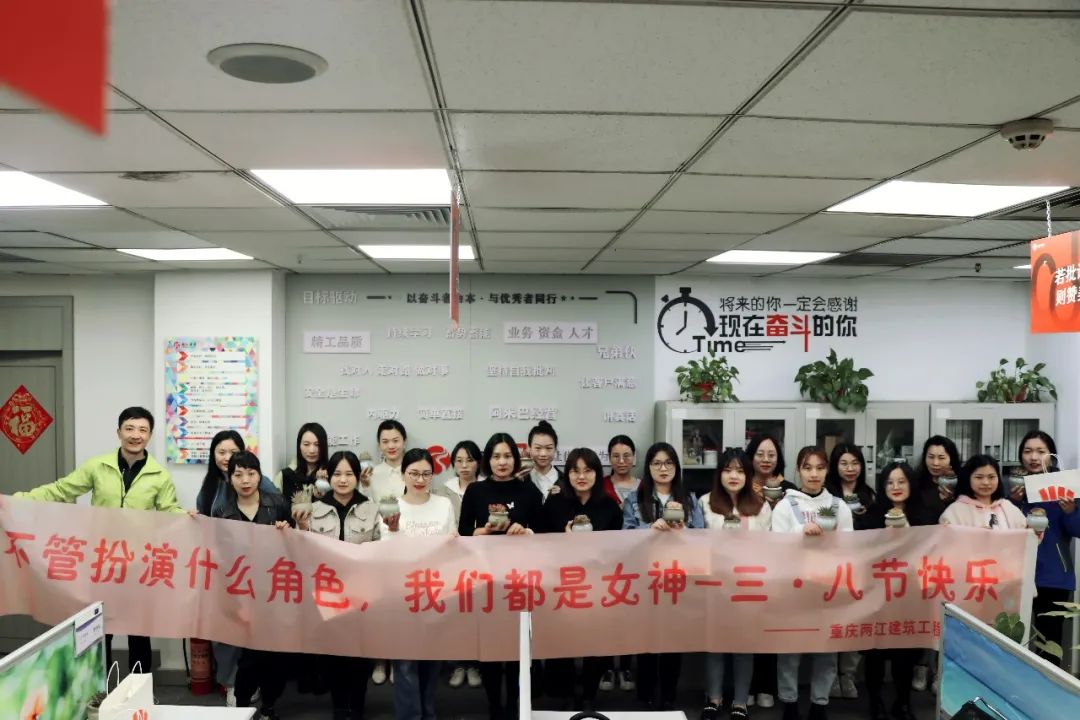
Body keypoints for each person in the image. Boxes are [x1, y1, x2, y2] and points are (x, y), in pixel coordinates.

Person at [15, 406, 186, 675]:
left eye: (142, 430)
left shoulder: (159, 475)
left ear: (150, 435)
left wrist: (189, 518)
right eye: (129, 428)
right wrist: (21, 500)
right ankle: (99, 688)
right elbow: (62, 490)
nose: (136, 435)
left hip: (138, 564)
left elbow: (168, 510)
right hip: (101, 561)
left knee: (139, 630)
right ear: (118, 432)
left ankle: (139, 688)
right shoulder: (98, 466)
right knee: (99, 627)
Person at [459, 433, 544, 720]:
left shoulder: (529, 492)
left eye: (507, 456)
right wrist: (480, 532)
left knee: (519, 649)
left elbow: (545, 532)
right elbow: (462, 531)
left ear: (516, 459)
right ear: (488, 461)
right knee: (492, 649)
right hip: (486, 578)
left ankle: (516, 707)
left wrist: (526, 531)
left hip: (521, 579)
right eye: (496, 456)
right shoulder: (475, 491)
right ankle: (494, 706)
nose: (502, 462)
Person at [195, 429, 279, 705]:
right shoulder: (210, 488)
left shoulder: (264, 485)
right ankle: (231, 683)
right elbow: (205, 525)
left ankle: (255, 684)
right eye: (221, 452)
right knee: (227, 629)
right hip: (226, 571)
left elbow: (279, 513)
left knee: (258, 631)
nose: (226, 457)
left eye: (233, 451)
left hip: (261, 573)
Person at [771, 446, 854, 720]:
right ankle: (789, 703)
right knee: (789, 650)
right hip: (792, 590)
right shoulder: (785, 506)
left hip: (828, 589)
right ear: (798, 471)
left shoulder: (839, 507)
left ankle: (820, 704)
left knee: (826, 651)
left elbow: (851, 548)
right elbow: (775, 547)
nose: (814, 474)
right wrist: (800, 530)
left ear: (827, 470)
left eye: (819, 467)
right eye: (807, 468)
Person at [297, 450, 382, 720]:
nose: (343, 480)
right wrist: (301, 527)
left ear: (357, 476)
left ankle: (357, 705)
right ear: (328, 477)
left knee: (360, 654)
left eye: (349, 474)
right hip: (328, 592)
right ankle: (339, 705)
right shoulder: (314, 509)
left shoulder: (371, 509)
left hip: (361, 592)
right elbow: (302, 550)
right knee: (332, 654)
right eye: (337, 474)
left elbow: (381, 549)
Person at [540, 447, 623, 710]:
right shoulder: (554, 503)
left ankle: (589, 692)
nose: (581, 476)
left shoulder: (609, 506)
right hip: (561, 583)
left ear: (598, 474)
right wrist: (564, 541)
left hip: (597, 584)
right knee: (561, 639)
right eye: (575, 471)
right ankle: (562, 692)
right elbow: (540, 544)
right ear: (567, 474)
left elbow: (620, 548)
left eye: (588, 470)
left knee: (594, 640)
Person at [623, 441, 703, 710]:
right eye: (656, 463)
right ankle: (644, 696)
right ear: (648, 468)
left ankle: (669, 696)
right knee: (646, 640)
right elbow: (624, 538)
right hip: (646, 579)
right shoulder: (635, 499)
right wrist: (649, 529)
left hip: (677, 579)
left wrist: (683, 532)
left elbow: (702, 537)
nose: (663, 468)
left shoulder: (689, 499)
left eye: (668, 463)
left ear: (676, 467)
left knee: (672, 641)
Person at [214, 451, 291, 720]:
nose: (245, 480)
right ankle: (244, 706)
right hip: (241, 595)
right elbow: (218, 553)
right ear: (230, 478)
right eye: (238, 474)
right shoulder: (222, 512)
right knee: (248, 659)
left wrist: (287, 529)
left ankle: (269, 706)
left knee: (275, 657)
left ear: (260, 476)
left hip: (274, 593)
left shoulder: (277, 504)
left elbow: (295, 544)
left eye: (251, 473)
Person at [380, 448, 456, 720]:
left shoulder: (444, 505)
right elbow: (386, 553)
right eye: (413, 473)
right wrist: (392, 530)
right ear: (403, 475)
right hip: (403, 594)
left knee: (432, 662)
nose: (420, 479)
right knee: (405, 664)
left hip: (436, 592)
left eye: (426, 474)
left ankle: (428, 712)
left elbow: (452, 548)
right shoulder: (390, 506)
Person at [699, 448, 771, 720]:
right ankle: (714, 699)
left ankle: (740, 702)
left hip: (748, 585)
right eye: (728, 470)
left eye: (740, 471)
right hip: (714, 585)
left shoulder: (761, 506)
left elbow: (770, 546)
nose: (734, 476)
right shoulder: (705, 503)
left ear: (748, 475)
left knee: (744, 646)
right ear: (719, 473)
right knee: (714, 644)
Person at [863, 462, 931, 720]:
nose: (896, 487)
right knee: (875, 654)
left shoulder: (924, 517)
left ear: (911, 484)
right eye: (890, 482)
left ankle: (903, 702)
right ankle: (875, 703)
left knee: (906, 655)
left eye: (901, 481)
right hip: (877, 595)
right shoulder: (871, 516)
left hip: (910, 595)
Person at [1010, 431, 1080, 667]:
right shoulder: (1015, 486)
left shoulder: (1065, 486)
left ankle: (1046, 685)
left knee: (1049, 642)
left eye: (1041, 451)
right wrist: (1014, 501)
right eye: (1028, 451)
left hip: (1054, 576)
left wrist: (1070, 511)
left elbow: (1077, 530)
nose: (1034, 457)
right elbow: (1004, 527)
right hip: (1017, 574)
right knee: (1012, 635)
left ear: (1051, 455)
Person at [910, 435, 962, 692]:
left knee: (947, 618)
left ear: (952, 459)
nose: (936, 462)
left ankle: (940, 671)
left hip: (954, 564)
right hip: (923, 561)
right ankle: (921, 665)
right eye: (931, 457)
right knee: (924, 616)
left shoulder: (962, 487)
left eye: (942, 457)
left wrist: (950, 501)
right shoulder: (916, 485)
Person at [745, 433, 792, 709]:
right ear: (751, 456)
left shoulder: (789, 489)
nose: (766, 459)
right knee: (748, 630)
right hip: (747, 569)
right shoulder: (742, 486)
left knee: (772, 630)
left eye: (771, 454)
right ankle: (747, 686)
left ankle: (767, 686)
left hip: (780, 571)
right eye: (760, 454)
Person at [824, 443, 874, 701]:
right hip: (832, 571)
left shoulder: (869, 495)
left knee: (856, 623)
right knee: (833, 624)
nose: (850, 468)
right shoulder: (827, 495)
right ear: (835, 466)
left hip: (862, 570)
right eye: (844, 463)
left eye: (855, 463)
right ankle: (831, 676)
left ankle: (848, 675)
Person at [598, 435, 640, 694]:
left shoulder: (644, 487)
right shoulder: (600, 485)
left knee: (628, 616)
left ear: (634, 458)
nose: (621, 461)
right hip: (605, 561)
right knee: (605, 615)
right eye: (616, 456)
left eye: (626, 455)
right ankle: (605, 667)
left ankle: (624, 667)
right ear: (609, 459)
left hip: (635, 562)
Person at [442, 439, 484, 690]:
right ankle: (458, 664)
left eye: (469, 460)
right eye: (459, 460)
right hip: (451, 561)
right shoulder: (444, 491)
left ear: (478, 462)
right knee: (456, 613)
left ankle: (475, 664)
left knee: (477, 612)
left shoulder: (485, 488)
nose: (464, 465)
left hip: (480, 559)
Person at [940, 454, 1026, 529]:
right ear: (968, 478)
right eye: (979, 477)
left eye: (991, 477)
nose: (986, 482)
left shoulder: (1008, 507)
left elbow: (1025, 534)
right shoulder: (955, 511)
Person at [276, 422, 330, 500]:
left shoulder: (332, 474)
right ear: (299, 446)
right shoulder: (285, 475)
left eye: (317, 444)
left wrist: (322, 485)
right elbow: (274, 503)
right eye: (306, 444)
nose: (312, 450)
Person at [369, 419, 408, 504]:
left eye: (395, 441)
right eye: (385, 442)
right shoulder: (371, 475)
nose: (391, 446)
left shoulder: (415, 473)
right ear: (379, 445)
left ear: (404, 442)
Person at [527, 420, 563, 498]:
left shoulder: (565, 481)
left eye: (549, 448)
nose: (543, 454)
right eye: (538, 448)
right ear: (529, 449)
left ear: (555, 449)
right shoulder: (522, 479)